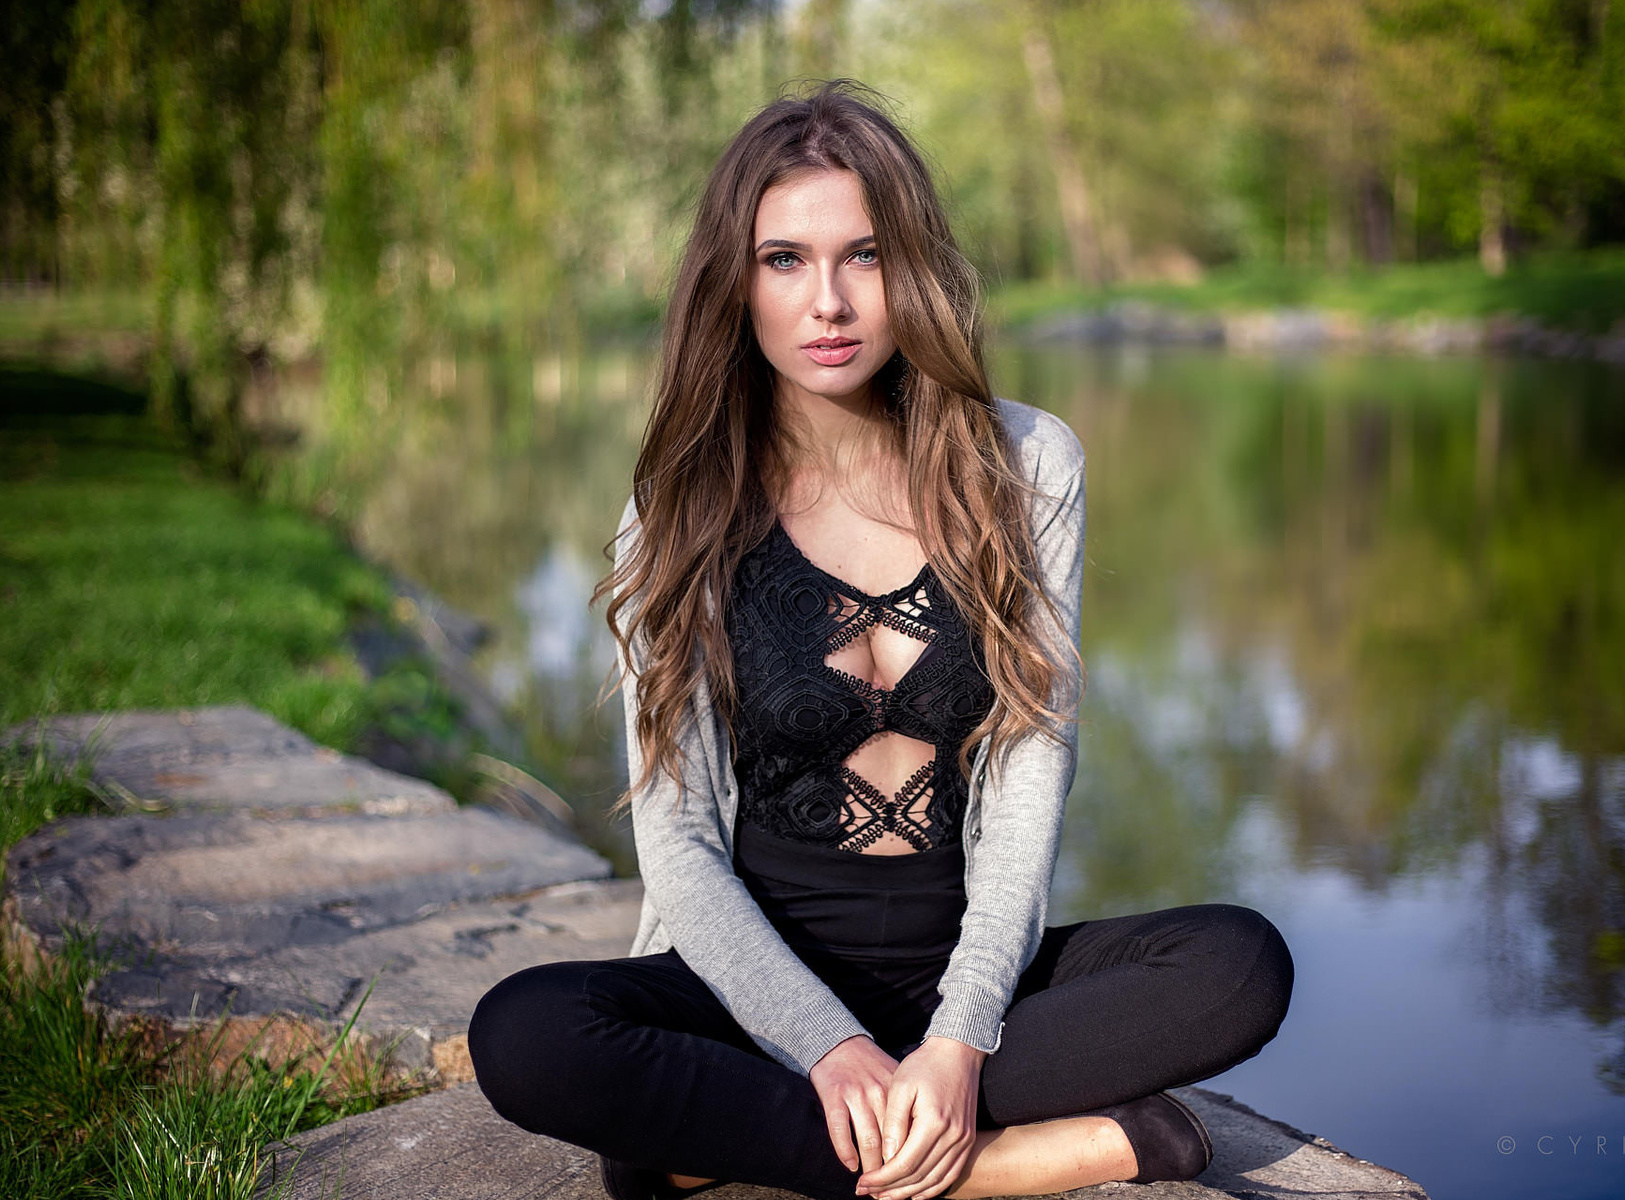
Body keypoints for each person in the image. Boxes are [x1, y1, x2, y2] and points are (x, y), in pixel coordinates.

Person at [467, 80, 1294, 1200]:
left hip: (968, 972)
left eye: (866, 255)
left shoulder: (1026, 463)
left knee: (1239, 964)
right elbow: (677, 845)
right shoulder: (681, 505)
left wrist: (958, 1040)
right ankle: (1013, 1162)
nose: (830, 303)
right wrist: (828, 1047)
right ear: (736, 282)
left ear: (916, 270)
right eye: (785, 260)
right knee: (524, 1032)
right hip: (756, 987)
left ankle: (743, 1150)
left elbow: (1029, 770)